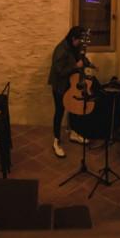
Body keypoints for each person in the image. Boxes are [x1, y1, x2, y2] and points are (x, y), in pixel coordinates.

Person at [48, 26, 91, 157]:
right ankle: (56, 140)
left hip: (70, 83)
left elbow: (80, 57)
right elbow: (60, 71)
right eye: (79, 41)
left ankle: (73, 133)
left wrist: (87, 62)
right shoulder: (61, 50)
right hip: (59, 85)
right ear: (73, 38)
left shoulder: (74, 46)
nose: (80, 44)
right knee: (60, 110)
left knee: (73, 107)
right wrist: (75, 66)